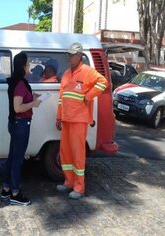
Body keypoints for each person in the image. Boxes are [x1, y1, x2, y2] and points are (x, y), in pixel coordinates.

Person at [55, 43, 108, 199]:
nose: (69, 57)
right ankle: (69, 182)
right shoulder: (65, 74)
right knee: (65, 153)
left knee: (78, 154)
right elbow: (61, 98)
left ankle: (79, 187)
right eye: (69, 55)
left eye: (72, 55)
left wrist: (89, 96)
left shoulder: (87, 72)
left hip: (79, 120)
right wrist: (59, 116)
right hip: (66, 119)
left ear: (80, 56)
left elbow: (103, 82)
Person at [1, 52, 41, 206]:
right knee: (17, 159)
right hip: (20, 124)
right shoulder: (19, 83)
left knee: (12, 157)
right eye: (28, 64)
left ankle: (6, 189)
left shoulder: (17, 82)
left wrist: (32, 97)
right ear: (22, 66)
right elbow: (17, 107)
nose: (29, 66)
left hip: (16, 124)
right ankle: (15, 193)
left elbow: (21, 99)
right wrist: (33, 104)